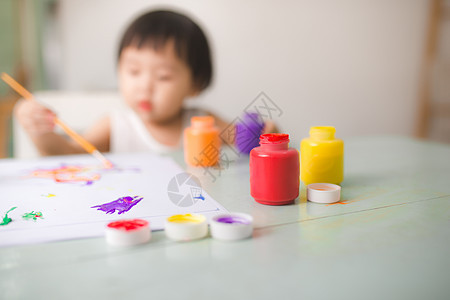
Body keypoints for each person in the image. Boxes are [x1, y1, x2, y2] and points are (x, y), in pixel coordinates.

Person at [15, 9, 276, 156]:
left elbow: (250, 142)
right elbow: (69, 154)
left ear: (195, 84)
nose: (145, 86)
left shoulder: (203, 122)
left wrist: (264, 135)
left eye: (163, 76)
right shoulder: (115, 125)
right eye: (133, 71)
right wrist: (41, 133)